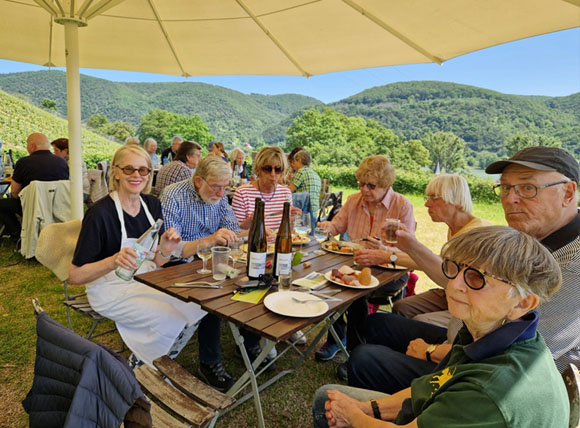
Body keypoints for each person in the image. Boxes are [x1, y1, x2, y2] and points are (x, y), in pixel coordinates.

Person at [313, 226, 569, 428]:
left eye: (476, 278)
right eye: (455, 269)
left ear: (522, 302)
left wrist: (352, 415)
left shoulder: (489, 390)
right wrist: (369, 410)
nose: (454, 285)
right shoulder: (492, 334)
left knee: (327, 399)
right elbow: (432, 385)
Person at [347, 174, 492, 393]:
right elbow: (436, 264)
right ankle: (388, 359)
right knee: (394, 311)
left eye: (434, 198)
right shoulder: (456, 228)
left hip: (459, 319)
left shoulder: (476, 235)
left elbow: (448, 275)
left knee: (410, 319)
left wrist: (393, 253)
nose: (426, 203)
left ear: (456, 200)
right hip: (450, 304)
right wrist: (388, 255)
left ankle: (392, 367)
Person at [68, 145, 206, 370]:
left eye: (143, 170)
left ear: (150, 174)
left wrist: (166, 248)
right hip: (109, 289)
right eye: (129, 169)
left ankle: (157, 360)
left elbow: (159, 261)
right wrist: (113, 260)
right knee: (168, 318)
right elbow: (74, 276)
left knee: (195, 307)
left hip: (147, 278)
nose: (136, 175)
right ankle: (141, 366)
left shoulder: (152, 205)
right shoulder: (100, 214)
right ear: (116, 172)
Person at [160, 155, 273, 390]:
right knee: (212, 298)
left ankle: (249, 341)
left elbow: (232, 231)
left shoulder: (219, 195)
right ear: (198, 180)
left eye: (225, 187)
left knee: (253, 277)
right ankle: (209, 362)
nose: (222, 194)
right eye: (216, 187)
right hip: (177, 265)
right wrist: (209, 240)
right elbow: (172, 250)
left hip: (211, 260)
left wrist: (254, 230)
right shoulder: (173, 196)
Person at [316, 155, 415, 379]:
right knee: (332, 279)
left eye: (371, 186)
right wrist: (326, 226)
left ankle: (356, 354)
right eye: (361, 183)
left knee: (356, 292)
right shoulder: (353, 200)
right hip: (355, 264)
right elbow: (336, 226)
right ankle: (336, 338)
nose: (364, 190)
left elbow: (411, 252)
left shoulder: (401, 206)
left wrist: (384, 252)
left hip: (391, 271)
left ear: (386, 185)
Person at [485, 146, 579, 371]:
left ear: (567, 193)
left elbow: (518, 352)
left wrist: (433, 351)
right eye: (506, 187)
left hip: (513, 386)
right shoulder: (530, 242)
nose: (510, 199)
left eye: (528, 187)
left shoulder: (574, 264)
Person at [0, 132, 69, 242]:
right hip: (57, 206)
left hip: (32, 208)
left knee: (2, 204)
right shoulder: (62, 162)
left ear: (32, 146)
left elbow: (14, 193)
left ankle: (16, 233)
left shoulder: (23, 162)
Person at [232, 146, 300, 230]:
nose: (273, 174)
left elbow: (287, 230)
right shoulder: (242, 193)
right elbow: (235, 231)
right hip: (252, 242)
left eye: (278, 169)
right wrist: (250, 220)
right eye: (267, 169)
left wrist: (293, 219)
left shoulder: (285, 193)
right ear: (258, 169)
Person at [288, 149, 322, 235]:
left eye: (294, 161)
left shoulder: (301, 172)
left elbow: (288, 191)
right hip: (314, 212)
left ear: (299, 160)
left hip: (303, 212)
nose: (293, 165)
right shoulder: (315, 174)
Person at [51, 137, 90, 202]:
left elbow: (69, 180)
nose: (54, 153)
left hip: (81, 192)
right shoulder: (68, 160)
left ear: (65, 151)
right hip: (76, 190)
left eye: (56, 150)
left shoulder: (74, 163)